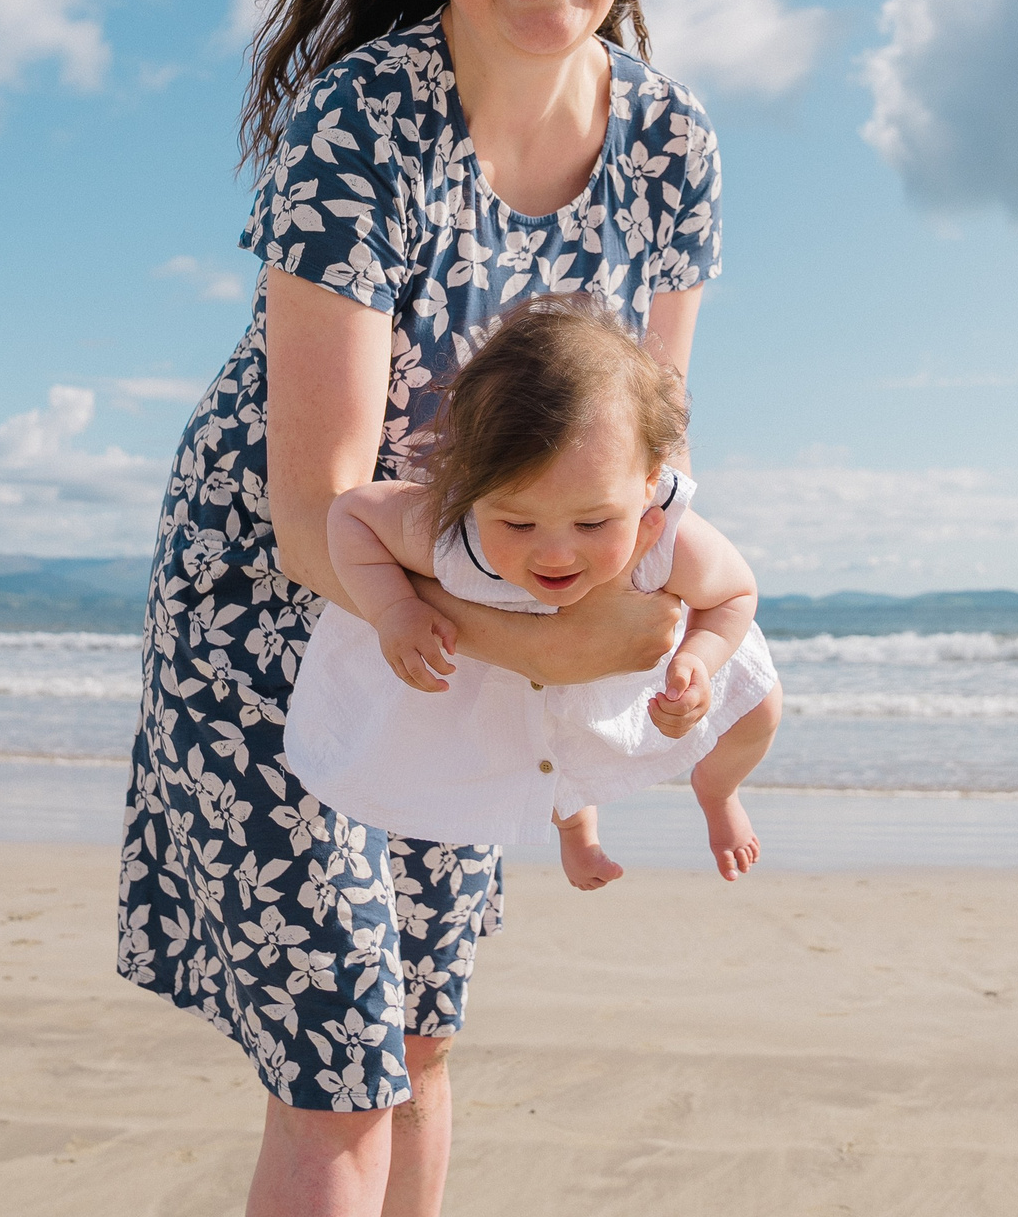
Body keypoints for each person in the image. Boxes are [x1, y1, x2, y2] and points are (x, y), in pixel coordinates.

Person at [115, 0, 722, 1217]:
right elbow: (320, 496)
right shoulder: (361, 119)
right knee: (339, 1070)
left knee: (424, 1031)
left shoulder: (671, 148)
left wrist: (658, 632)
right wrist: (535, 644)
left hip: (501, 580)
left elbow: (653, 449)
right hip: (281, 592)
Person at [288, 296, 783, 890]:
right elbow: (351, 516)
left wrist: (699, 659)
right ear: (470, 488)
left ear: (649, 485)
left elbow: (735, 594)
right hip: (511, 675)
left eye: (593, 524)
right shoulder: (451, 530)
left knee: (761, 705)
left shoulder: (670, 537)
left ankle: (719, 790)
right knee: (535, 746)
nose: (554, 554)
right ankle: (579, 836)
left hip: (635, 658)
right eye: (517, 524)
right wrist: (394, 608)